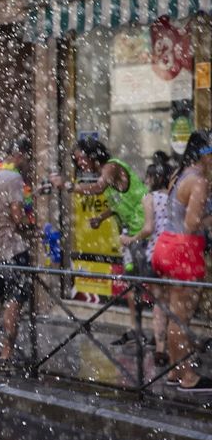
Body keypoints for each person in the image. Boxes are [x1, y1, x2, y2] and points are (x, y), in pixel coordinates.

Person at [51, 139, 148, 342]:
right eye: (76, 160)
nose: (80, 163)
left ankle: (163, 336)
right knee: (133, 285)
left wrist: (67, 185)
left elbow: (97, 188)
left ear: (93, 154)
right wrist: (100, 218)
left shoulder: (111, 167)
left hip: (145, 233)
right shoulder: (108, 173)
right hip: (131, 236)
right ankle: (137, 330)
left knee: (152, 285)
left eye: (81, 158)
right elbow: (117, 204)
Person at [151, 131, 212, 393]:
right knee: (181, 315)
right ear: (206, 154)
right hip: (184, 249)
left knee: (176, 312)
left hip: (168, 245)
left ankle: (176, 371)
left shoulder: (179, 174)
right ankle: (187, 376)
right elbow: (191, 223)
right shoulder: (199, 181)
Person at [0, 138, 35, 364]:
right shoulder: (14, 179)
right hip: (12, 250)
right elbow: (17, 216)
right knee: (14, 302)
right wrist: (30, 224)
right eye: (27, 157)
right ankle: (6, 354)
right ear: (20, 155)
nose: (28, 162)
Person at [119, 162, 172, 367]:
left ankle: (161, 349)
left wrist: (132, 239)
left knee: (159, 305)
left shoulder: (149, 198)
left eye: (148, 178)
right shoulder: (174, 198)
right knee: (175, 305)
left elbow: (149, 228)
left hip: (156, 256)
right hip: (175, 254)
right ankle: (179, 351)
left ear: (152, 178)